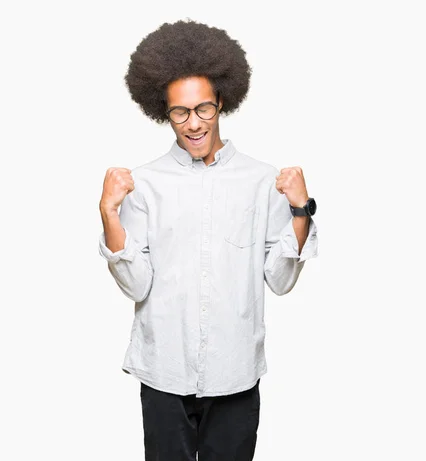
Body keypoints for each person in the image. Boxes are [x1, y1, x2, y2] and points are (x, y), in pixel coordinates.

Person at [97, 19, 318, 461]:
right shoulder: (143, 184)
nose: (193, 123)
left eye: (204, 109)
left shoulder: (262, 181)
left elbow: (280, 279)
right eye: (180, 111)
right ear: (164, 111)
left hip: (234, 370)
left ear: (222, 102)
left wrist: (299, 209)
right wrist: (108, 212)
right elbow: (136, 285)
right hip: (163, 370)